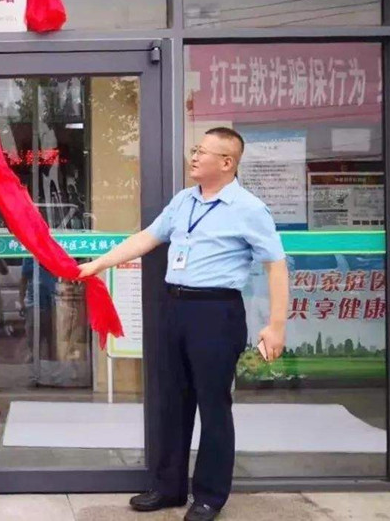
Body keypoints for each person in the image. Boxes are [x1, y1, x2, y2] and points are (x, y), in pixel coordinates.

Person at [79, 128, 288, 521]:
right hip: (174, 307)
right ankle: (168, 487)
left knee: (213, 405)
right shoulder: (183, 201)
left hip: (216, 313)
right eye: (195, 149)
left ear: (226, 162)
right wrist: (99, 264)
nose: (194, 157)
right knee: (171, 402)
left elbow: (275, 265)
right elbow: (147, 238)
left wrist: (276, 325)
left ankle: (209, 496)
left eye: (202, 152)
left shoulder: (248, 208)